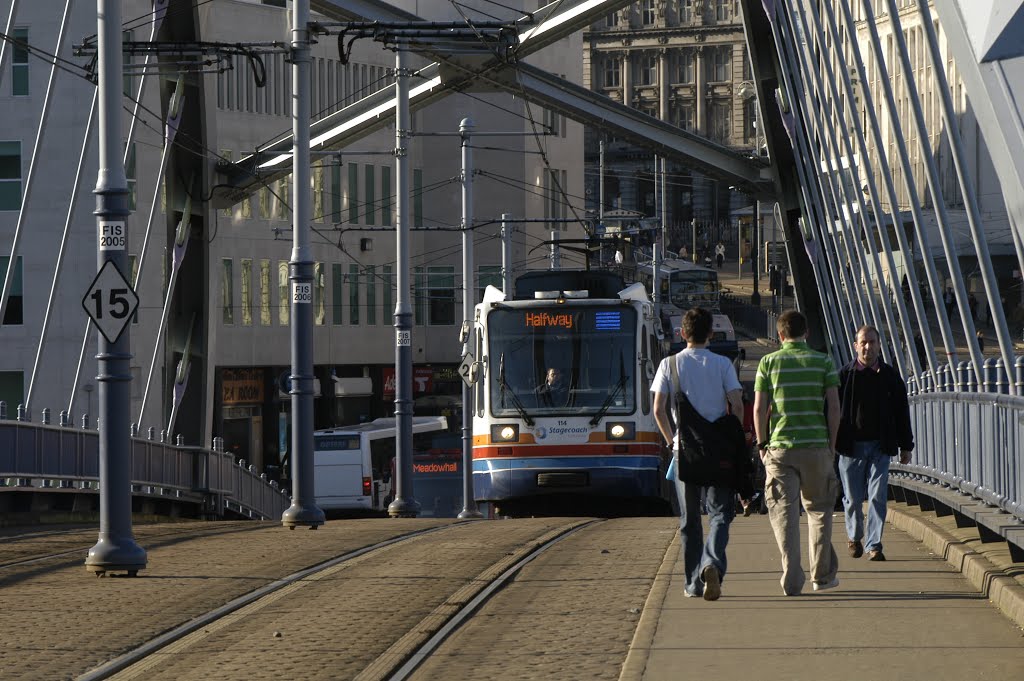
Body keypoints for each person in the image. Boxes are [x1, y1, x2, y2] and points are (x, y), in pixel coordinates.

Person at [652, 307, 744, 601]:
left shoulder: (670, 365)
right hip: (718, 451)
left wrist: (671, 441)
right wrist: (734, 437)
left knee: (690, 520)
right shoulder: (723, 364)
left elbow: (658, 409)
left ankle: (693, 583)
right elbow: (737, 404)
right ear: (711, 334)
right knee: (720, 514)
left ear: (682, 333)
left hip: (684, 451)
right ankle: (712, 563)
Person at [754, 310, 841, 595]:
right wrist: (832, 444)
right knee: (819, 511)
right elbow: (834, 408)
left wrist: (761, 443)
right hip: (816, 446)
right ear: (807, 333)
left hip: (780, 449)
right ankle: (822, 576)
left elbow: (758, 409)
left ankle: (792, 577)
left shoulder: (768, 362)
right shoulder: (823, 362)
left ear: (780, 335)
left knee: (784, 514)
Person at [836, 325, 914, 563]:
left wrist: (906, 445)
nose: (867, 347)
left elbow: (902, 413)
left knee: (877, 495)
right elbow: (831, 410)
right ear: (855, 346)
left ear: (879, 345)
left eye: (872, 342)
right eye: (863, 342)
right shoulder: (844, 376)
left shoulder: (891, 378)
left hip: (881, 445)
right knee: (852, 497)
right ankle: (854, 535)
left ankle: (874, 545)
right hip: (851, 446)